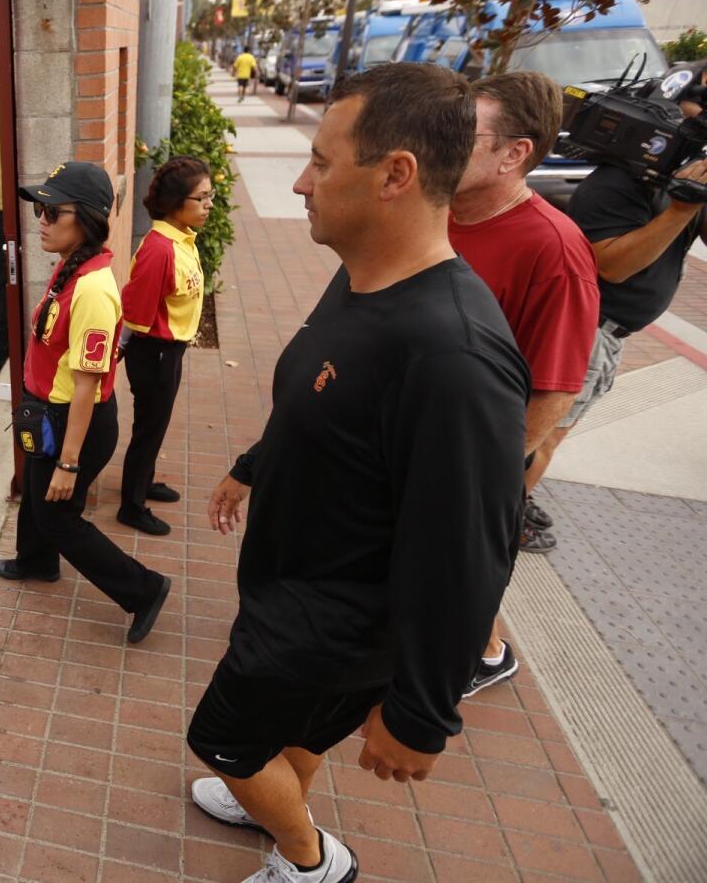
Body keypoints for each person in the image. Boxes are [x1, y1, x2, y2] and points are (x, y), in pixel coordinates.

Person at [187, 64, 530, 883]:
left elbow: (471, 549)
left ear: (395, 175)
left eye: (322, 162)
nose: (302, 183)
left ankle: (309, 861)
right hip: (296, 586)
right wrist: (251, 466)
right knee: (296, 731)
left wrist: (420, 712)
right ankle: (276, 801)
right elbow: (319, 398)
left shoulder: (454, 355)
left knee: (224, 740)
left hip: (333, 622)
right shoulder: (364, 279)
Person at [447, 71, 601, 696]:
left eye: (465, 133)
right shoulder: (440, 209)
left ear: (515, 154)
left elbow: (556, 389)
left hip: (469, 452)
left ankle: (483, 655)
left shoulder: (554, 249)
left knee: (458, 563)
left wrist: (483, 476)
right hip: (417, 434)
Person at [0, 161, 172, 644]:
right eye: (41, 211)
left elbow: (88, 386)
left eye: (53, 212)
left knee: (57, 514)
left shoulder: (93, 289)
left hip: (78, 424)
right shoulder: (72, 265)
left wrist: (68, 464)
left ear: (88, 220)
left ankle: (144, 589)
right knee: (35, 490)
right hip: (50, 413)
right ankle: (36, 562)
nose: (42, 221)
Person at [541, 75, 707, 494]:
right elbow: (612, 266)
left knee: (556, 432)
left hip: (612, 334)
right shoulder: (614, 185)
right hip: (588, 330)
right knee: (541, 438)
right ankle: (508, 517)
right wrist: (682, 209)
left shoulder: (670, 182)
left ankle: (515, 504)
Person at [116, 156, 210, 536]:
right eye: (201, 198)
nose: (208, 205)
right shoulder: (159, 249)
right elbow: (136, 309)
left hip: (169, 350)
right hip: (154, 350)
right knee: (149, 427)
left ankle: (145, 480)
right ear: (175, 202)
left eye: (211, 196)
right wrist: (119, 348)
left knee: (157, 422)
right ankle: (131, 505)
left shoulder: (182, 239)